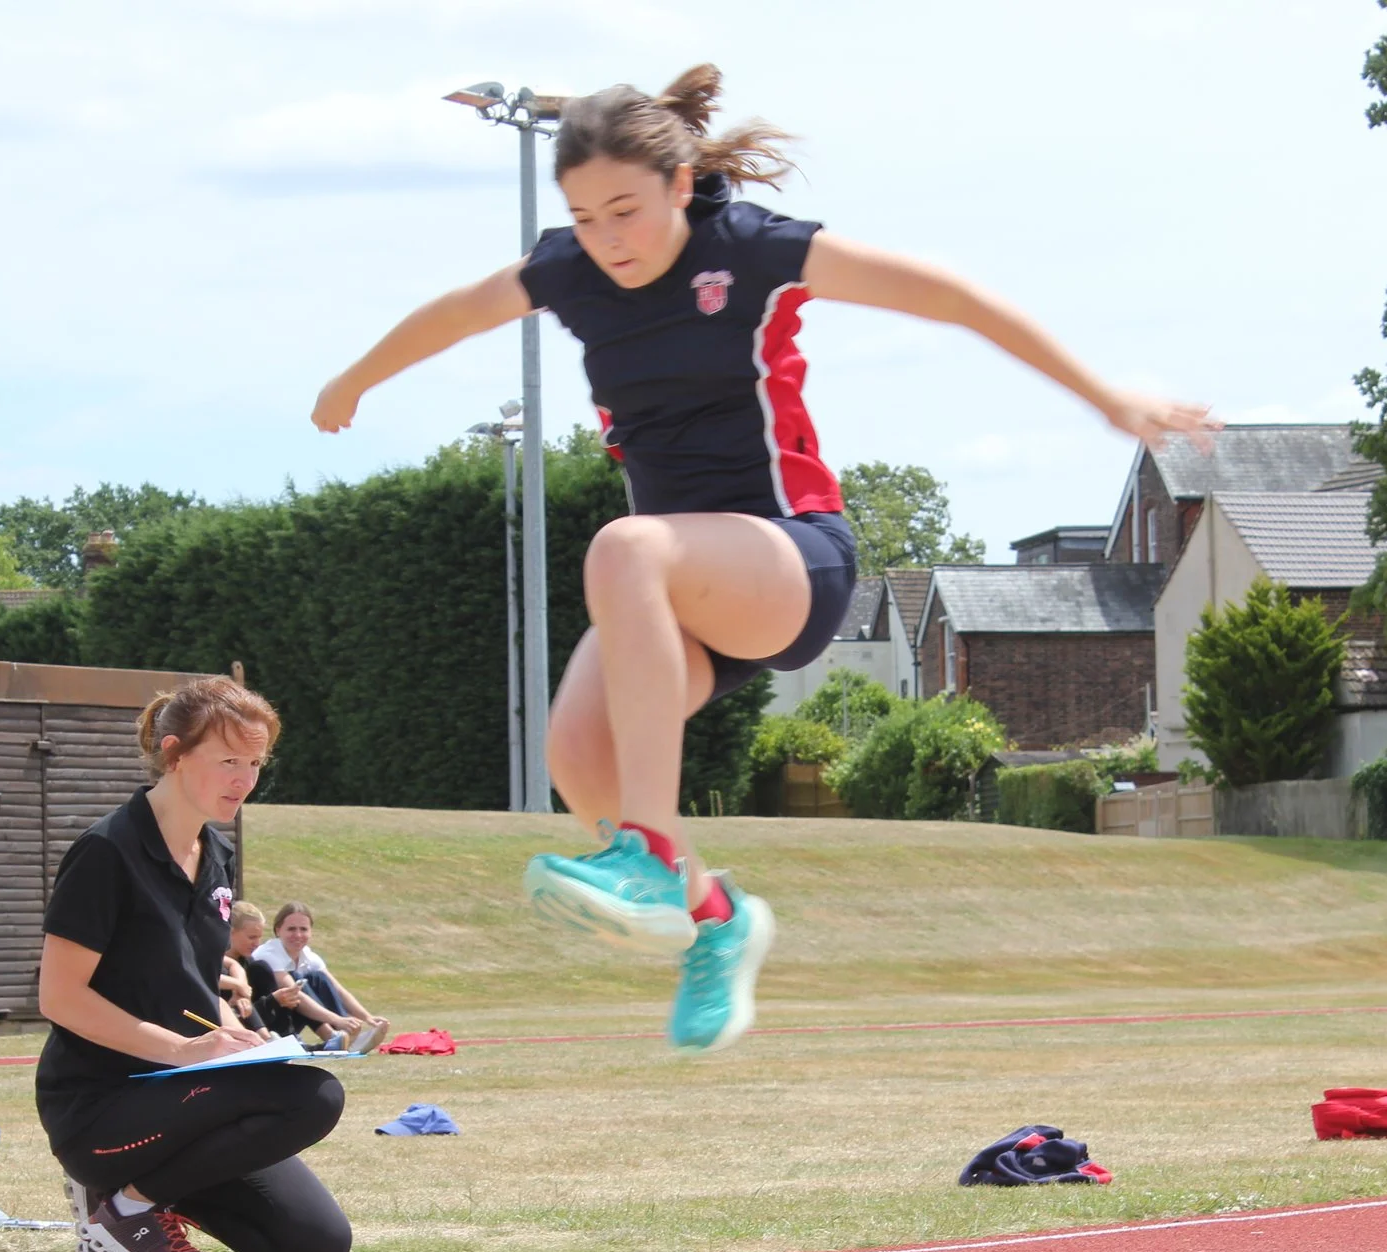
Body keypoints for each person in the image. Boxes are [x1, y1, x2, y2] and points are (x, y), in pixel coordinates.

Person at [311, 65, 1214, 1053]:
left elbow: (948, 295)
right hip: (677, 595)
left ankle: (650, 849)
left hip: (790, 559)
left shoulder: (747, 251)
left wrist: (1102, 395)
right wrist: (356, 375)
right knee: (575, 755)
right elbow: (455, 311)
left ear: (680, 178)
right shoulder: (569, 271)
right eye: (584, 215)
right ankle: (718, 919)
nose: (608, 238)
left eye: (626, 209)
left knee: (623, 548)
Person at [35, 676, 353, 1252]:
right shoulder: (106, 853)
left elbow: (192, 982)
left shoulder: (218, 855)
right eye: (229, 760)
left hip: (191, 1102)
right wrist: (183, 1051)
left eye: (256, 763)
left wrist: (237, 1036)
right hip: (101, 1107)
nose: (245, 779)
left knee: (317, 1248)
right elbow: (60, 996)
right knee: (314, 1096)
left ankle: (135, 1195)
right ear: (176, 754)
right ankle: (123, 1209)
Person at [254, 902, 389, 1054]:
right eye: (291, 929)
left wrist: (367, 1017)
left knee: (317, 977)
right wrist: (337, 1020)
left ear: (311, 932)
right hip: (264, 1019)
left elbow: (338, 990)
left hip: (291, 1014)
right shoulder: (269, 954)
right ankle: (334, 1036)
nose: (298, 935)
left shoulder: (308, 956)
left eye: (303, 929)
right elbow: (297, 996)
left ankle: (346, 1036)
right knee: (295, 980)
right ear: (278, 930)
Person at [221, 899, 348, 1044]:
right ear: (230, 933)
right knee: (269, 973)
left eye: (259, 937)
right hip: (239, 1026)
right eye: (252, 937)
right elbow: (236, 1015)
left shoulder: (248, 962)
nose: (257, 943)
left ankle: (328, 1036)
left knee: (306, 981)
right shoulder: (219, 967)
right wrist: (273, 1000)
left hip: (268, 1023)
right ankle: (289, 1040)